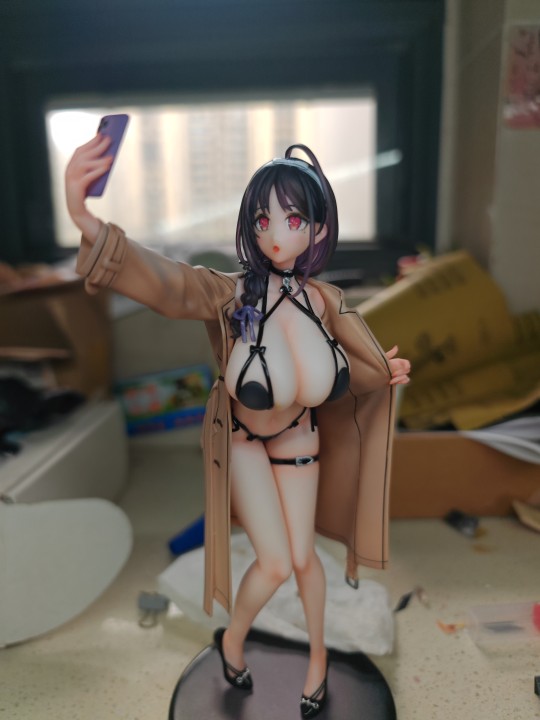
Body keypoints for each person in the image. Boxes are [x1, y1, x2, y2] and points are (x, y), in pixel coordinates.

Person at [66, 136, 410, 718]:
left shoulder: (324, 302)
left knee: (305, 559)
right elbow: (168, 283)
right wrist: (85, 219)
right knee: (274, 563)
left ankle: (318, 660)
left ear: (318, 229)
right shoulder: (231, 294)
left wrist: (381, 373)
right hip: (246, 444)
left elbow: (344, 373)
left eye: (293, 219)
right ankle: (233, 639)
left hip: (301, 440)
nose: (275, 233)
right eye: (262, 219)